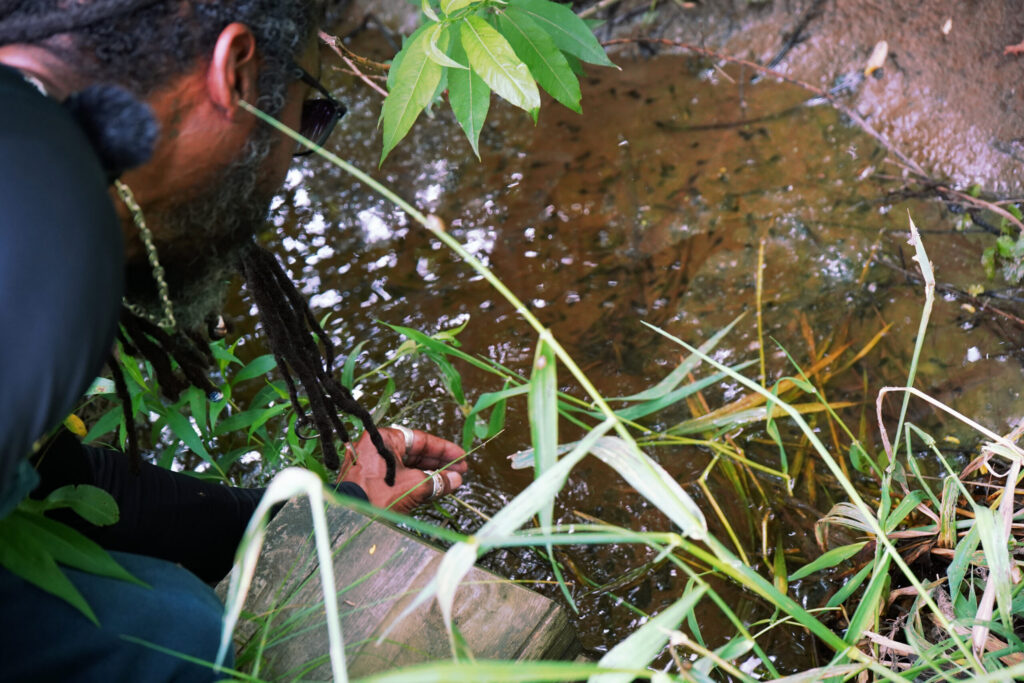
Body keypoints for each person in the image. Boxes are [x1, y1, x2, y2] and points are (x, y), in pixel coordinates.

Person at [0, 1, 468, 680]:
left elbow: (64, 483)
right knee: (172, 634)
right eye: (308, 115)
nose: (290, 162)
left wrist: (332, 514)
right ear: (236, 73)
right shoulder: (49, 249)